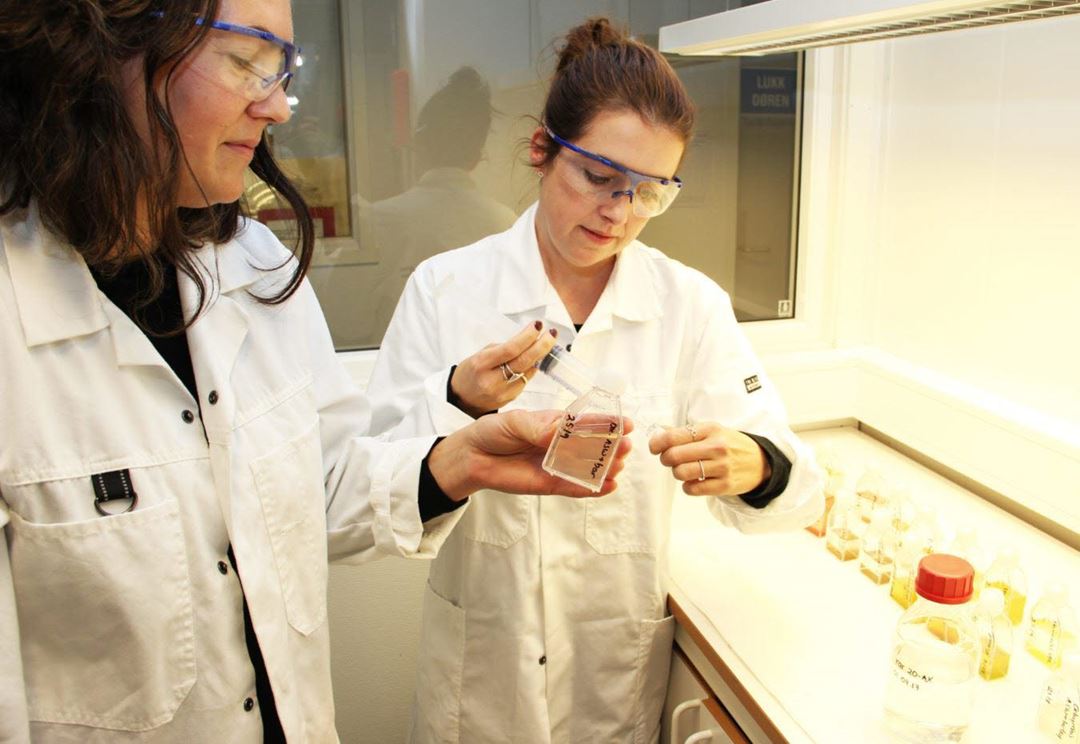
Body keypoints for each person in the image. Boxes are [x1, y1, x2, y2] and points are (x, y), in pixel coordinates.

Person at [0, 2, 630, 742]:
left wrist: (462, 457)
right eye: (246, 60)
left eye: (282, 71)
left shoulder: (257, 269)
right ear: (97, 50)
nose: (276, 106)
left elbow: (319, 490)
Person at [367, 17, 824, 744]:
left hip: (610, 683)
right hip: (481, 684)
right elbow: (372, 484)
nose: (619, 212)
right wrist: (455, 400)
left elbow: (802, 492)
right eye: (599, 177)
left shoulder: (687, 306)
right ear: (543, 149)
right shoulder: (446, 290)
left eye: (649, 192)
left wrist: (757, 464)